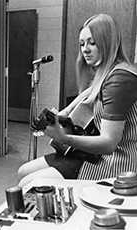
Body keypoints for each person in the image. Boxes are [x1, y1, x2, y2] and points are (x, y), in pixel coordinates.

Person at [17, 14, 137, 187]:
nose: (85, 50)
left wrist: (63, 138)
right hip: (93, 155)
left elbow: (108, 144)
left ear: (108, 42)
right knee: (23, 172)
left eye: (92, 43)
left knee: (29, 184)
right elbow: (86, 95)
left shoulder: (119, 80)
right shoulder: (107, 72)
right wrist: (61, 114)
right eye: (82, 44)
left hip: (114, 162)